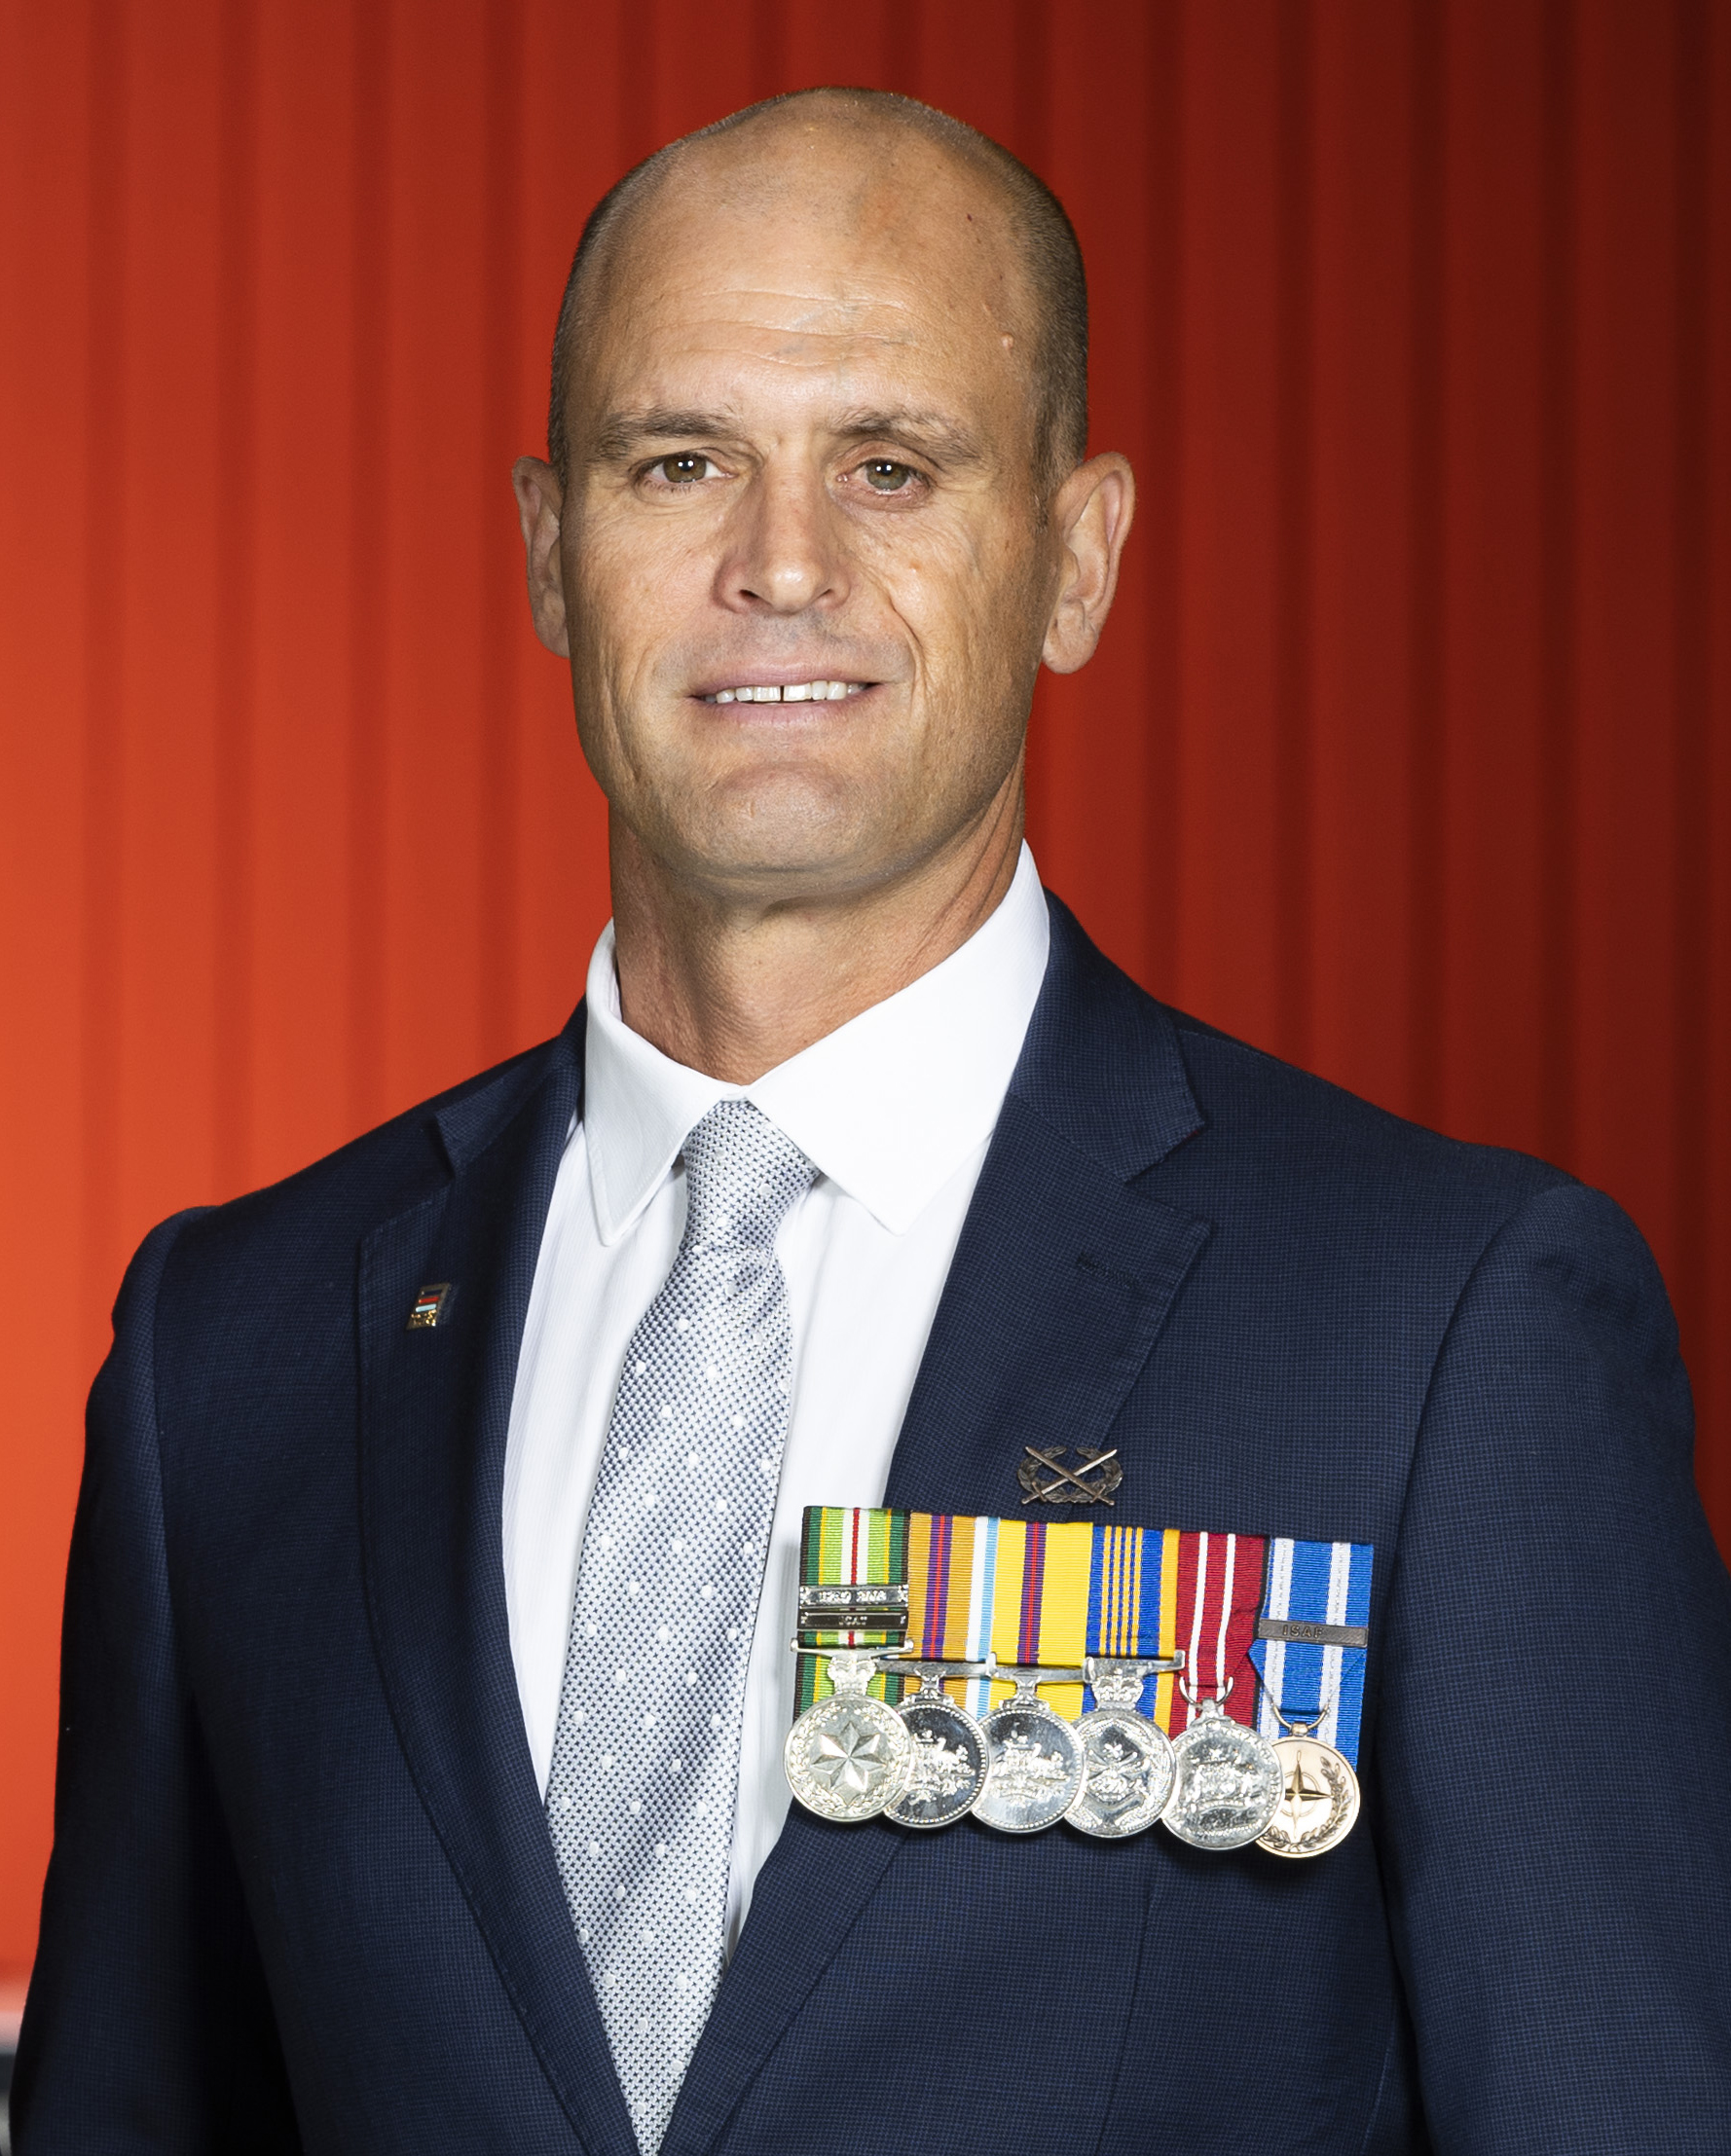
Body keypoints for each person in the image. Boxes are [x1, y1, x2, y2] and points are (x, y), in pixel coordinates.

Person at [15, 86, 1731, 2156]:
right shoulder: (232, 1349)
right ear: (554, 554)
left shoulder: (1442, 1328)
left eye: (890, 465)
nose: (778, 565)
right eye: (679, 462)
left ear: (1074, 560)